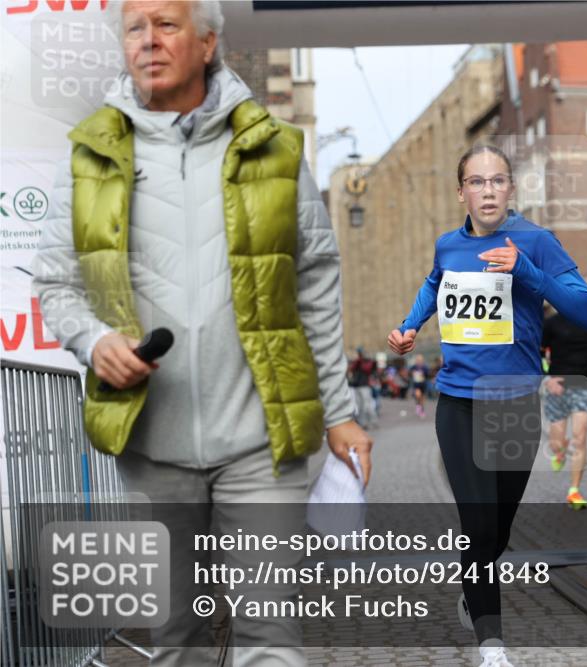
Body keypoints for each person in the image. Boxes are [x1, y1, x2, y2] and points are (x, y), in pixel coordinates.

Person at [31, 2, 372, 665]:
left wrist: (341, 412)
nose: (147, 41)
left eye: (165, 24)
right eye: (134, 28)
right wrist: (94, 339)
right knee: (176, 636)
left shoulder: (274, 146)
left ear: (210, 41)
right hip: (150, 441)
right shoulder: (89, 154)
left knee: (269, 634)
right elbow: (55, 282)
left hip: (261, 438)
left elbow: (317, 287)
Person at [386, 145, 587, 666]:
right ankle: (492, 646)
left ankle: (473, 587)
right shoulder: (448, 245)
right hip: (458, 402)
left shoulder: (536, 241)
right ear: (462, 191)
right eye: (477, 182)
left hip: (515, 405)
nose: (487, 191)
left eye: (497, 181)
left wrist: (527, 271)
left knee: (497, 530)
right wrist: (412, 324)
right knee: (478, 525)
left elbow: (586, 311)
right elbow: (435, 283)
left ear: (510, 189)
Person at [541, 311, 587, 509]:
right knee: (556, 443)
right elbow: (539, 352)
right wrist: (547, 378)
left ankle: (574, 491)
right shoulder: (551, 323)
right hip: (557, 385)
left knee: (580, 438)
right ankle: (559, 450)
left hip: (583, 385)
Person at [410, 353, 431, 418]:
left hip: (423, 385)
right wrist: (412, 374)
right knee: (418, 395)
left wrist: (423, 375)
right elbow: (409, 373)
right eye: (418, 360)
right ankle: (418, 406)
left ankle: (422, 411)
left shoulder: (425, 367)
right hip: (416, 385)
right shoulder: (413, 367)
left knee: (422, 399)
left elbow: (428, 375)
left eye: (420, 360)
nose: (419, 361)